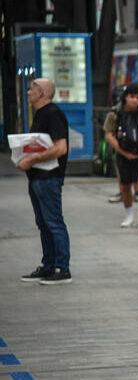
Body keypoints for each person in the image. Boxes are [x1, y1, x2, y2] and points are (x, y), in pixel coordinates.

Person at [17, 78, 72, 285]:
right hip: (37, 178)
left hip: (49, 178)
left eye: (32, 89)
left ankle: (62, 268)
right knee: (43, 223)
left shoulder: (53, 114)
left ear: (43, 93)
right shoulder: (40, 114)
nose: (28, 92)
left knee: (54, 222)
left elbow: (60, 148)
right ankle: (48, 265)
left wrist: (32, 159)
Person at [103, 83, 138, 228]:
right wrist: (124, 153)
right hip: (123, 155)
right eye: (132, 97)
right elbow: (109, 135)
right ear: (125, 97)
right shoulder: (115, 113)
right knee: (125, 186)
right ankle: (129, 216)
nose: (135, 100)